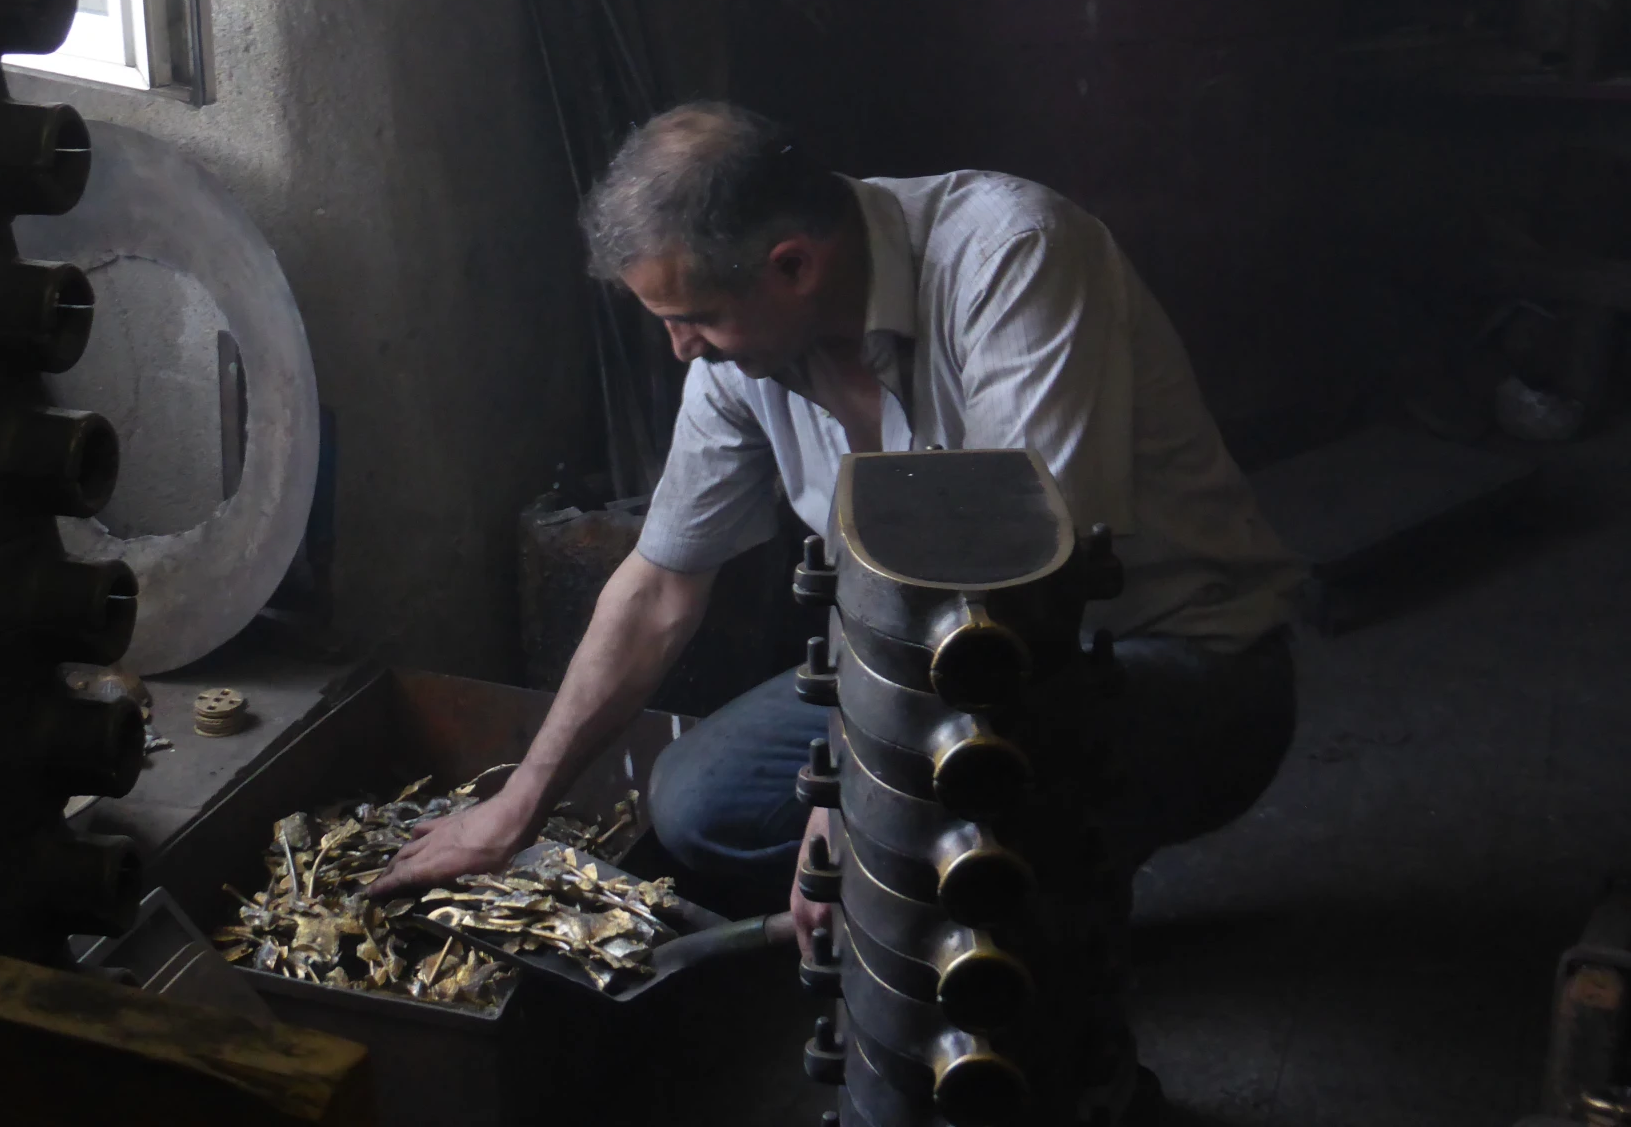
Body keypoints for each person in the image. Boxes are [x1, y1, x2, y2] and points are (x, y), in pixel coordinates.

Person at [368, 103, 1303, 941]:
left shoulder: (1013, 255)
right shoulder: (741, 364)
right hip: (934, 676)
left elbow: (1016, 593)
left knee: (953, 821)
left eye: (695, 317)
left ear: (794, 266)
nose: (679, 348)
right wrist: (520, 799)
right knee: (699, 802)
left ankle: (1061, 1000)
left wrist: (859, 791)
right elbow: (657, 589)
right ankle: (957, 901)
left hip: (1171, 666)